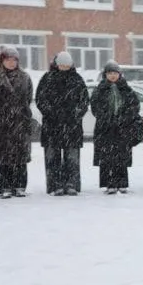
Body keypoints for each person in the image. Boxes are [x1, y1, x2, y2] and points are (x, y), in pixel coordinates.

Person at [0, 46, 34, 199]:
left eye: (14, 60)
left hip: (19, 122)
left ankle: (19, 186)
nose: (11, 63)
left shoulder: (24, 77)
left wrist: (20, 112)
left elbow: (27, 98)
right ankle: (3, 186)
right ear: (2, 60)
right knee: (2, 157)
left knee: (20, 157)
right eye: (8, 59)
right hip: (0, 123)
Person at [36, 51, 89, 196]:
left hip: (72, 126)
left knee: (72, 158)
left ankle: (72, 184)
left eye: (67, 64)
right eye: (61, 64)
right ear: (56, 64)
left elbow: (84, 101)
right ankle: (55, 185)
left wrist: (76, 114)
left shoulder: (77, 79)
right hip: (52, 125)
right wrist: (52, 113)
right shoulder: (47, 78)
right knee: (52, 157)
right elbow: (40, 99)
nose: (64, 67)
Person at [89, 61, 140, 194]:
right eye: (110, 73)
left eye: (115, 73)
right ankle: (109, 184)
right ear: (105, 75)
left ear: (119, 74)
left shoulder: (126, 89)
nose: (112, 76)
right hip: (105, 129)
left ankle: (122, 183)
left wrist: (124, 118)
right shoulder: (99, 89)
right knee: (107, 158)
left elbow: (134, 106)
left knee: (121, 157)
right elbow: (95, 108)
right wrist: (107, 118)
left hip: (122, 128)